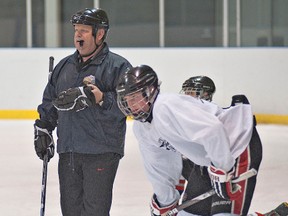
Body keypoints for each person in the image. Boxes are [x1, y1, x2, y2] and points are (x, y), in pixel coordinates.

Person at [116, 65, 262, 216]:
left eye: (134, 97)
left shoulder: (166, 106)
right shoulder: (142, 128)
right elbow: (159, 166)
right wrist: (165, 202)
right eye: (127, 99)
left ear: (150, 91)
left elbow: (213, 130)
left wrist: (222, 169)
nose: (131, 104)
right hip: (210, 161)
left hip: (236, 145)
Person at [34, 8, 132, 216]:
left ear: (100, 34)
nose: (78, 35)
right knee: (70, 211)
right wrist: (43, 128)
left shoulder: (118, 66)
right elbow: (51, 102)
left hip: (101, 153)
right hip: (69, 151)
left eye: (84, 30)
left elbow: (131, 104)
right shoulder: (64, 67)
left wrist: (103, 99)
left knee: (94, 212)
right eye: (76, 30)